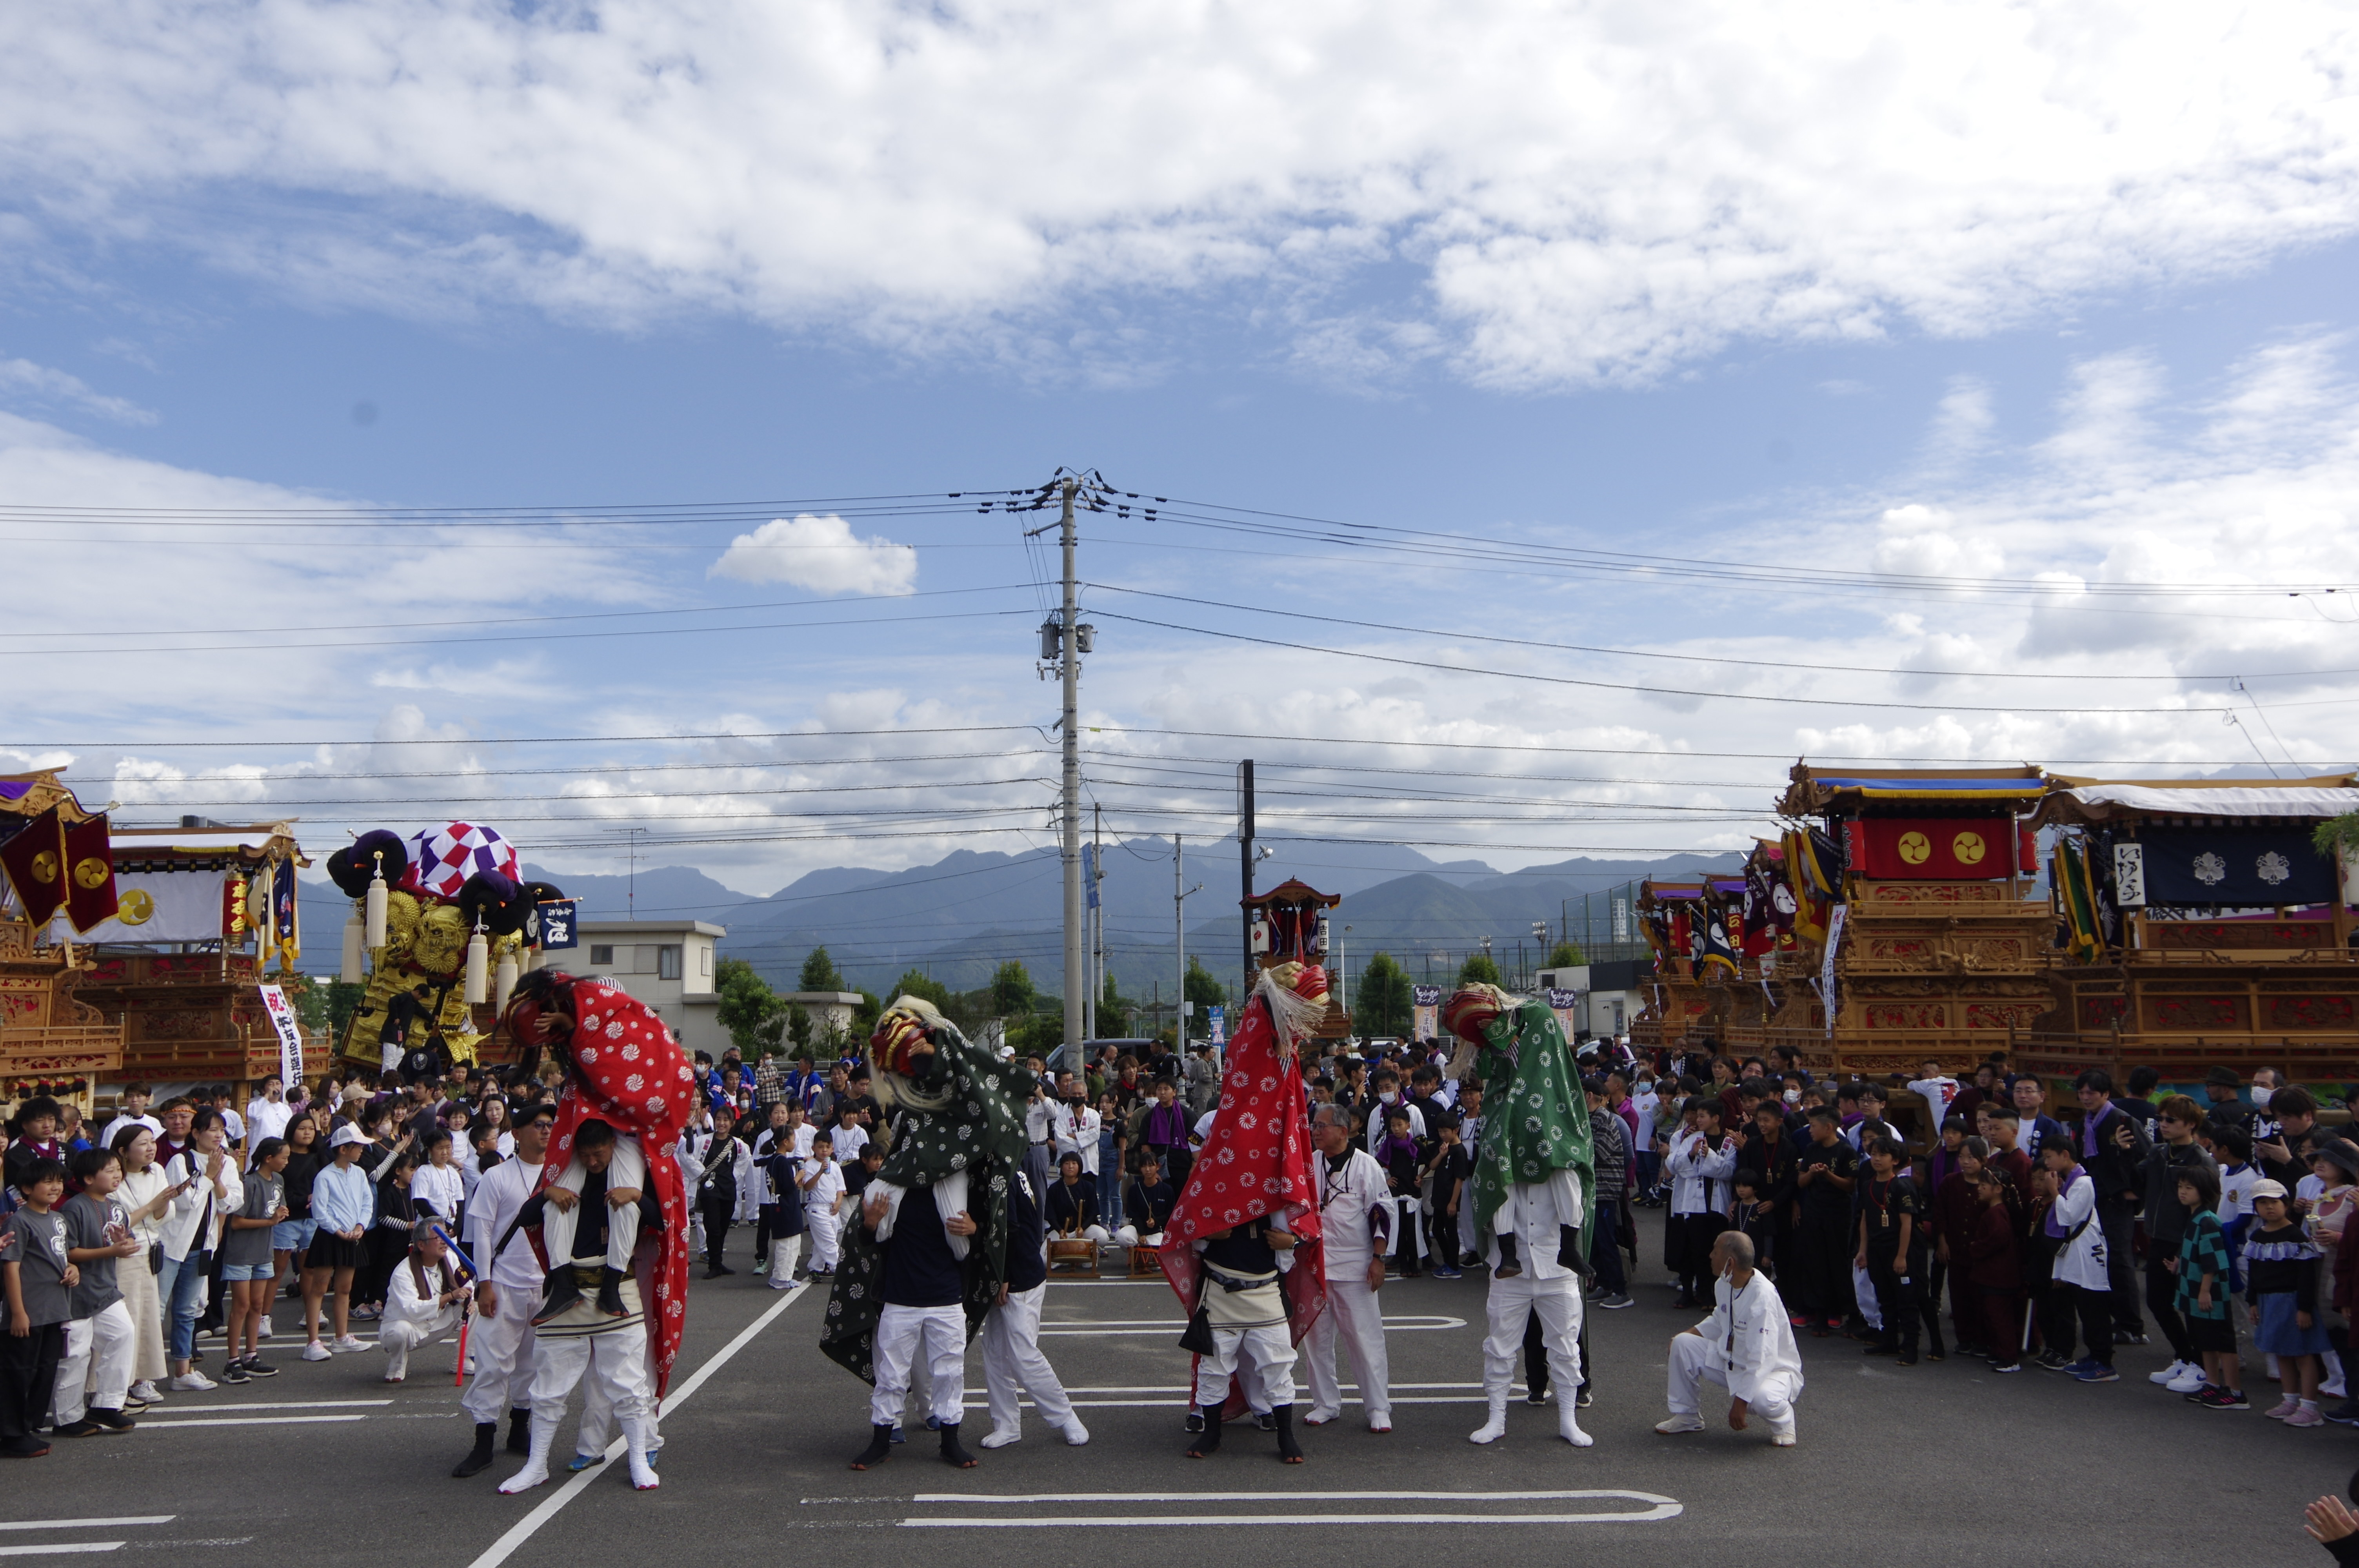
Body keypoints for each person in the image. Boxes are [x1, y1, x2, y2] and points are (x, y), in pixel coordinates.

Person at [500, 970, 695, 1400]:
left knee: (624, 1203)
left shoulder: (600, 1003)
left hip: (625, 1128)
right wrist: (547, 1191)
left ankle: (611, 1280)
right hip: (587, 1115)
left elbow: (629, 1064)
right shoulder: (573, 1028)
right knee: (553, 1199)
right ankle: (561, 1278)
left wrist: (573, 1027)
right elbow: (530, 1210)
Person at [1441, 984, 1593, 1450]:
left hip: (1554, 1264)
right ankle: (1496, 1417)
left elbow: (1570, 1175)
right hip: (1509, 1268)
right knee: (1499, 1344)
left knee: (1564, 1346)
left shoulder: (1538, 1021)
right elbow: (1489, 1061)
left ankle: (1568, 1417)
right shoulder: (1501, 1122)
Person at [493, 1119, 663, 1494]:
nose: (592, 1161)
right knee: (548, 1387)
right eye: (584, 1155)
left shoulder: (629, 1169)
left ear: (611, 1148)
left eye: (598, 1154)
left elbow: (664, 1218)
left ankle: (637, 1457)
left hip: (617, 1287)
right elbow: (525, 1217)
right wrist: (548, 1192)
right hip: (566, 1291)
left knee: (628, 1384)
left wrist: (636, 1195)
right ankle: (536, 1465)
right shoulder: (569, 1173)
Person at [454, 1100, 554, 1476]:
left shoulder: (560, 1174)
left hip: (545, 1285)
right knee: (494, 1363)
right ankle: (483, 1441)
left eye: (550, 1124)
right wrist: (485, 1283)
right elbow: (480, 1233)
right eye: (538, 1124)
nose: (546, 1130)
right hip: (504, 1283)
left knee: (532, 1364)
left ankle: (520, 1429)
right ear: (517, 1133)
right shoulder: (496, 1177)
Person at [1655, 1229, 1803, 1446]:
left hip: (1772, 1372)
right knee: (1682, 1343)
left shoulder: (1762, 1298)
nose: (1711, 1256)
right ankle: (1687, 1416)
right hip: (1733, 1361)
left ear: (1730, 1263)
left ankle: (1784, 1422)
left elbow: (1762, 1359)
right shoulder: (1724, 1283)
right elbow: (1718, 1319)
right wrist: (1686, 1335)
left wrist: (1740, 1403)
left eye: (1715, 1252)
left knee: (1760, 1400)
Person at [977, 1165, 1089, 1450]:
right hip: (1009, 1273)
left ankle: (1066, 1417)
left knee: (1023, 1354)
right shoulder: (1012, 1169)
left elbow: (1009, 1228)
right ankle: (1007, 1424)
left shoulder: (1005, 1173)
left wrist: (1003, 1276)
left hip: (1019, 1275)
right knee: (995, 1352)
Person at [1303, 1103, 1392, 1433]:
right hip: (1317, 1265)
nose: (1315, 1131)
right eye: (1314, 1125)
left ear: (1343, 1131)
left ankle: (1378, 1408)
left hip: (1356, 1266)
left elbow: (1382, 1213)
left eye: (1321, 1126)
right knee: (1317, 1341)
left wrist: (1378, 1259)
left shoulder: (1367, 1166)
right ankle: (1325, 1402)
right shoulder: (1310, 1163)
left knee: (1364, 1340)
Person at [2133, 1094, 2218, 1392]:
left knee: (2193, 1306)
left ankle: (2201, 1365)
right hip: (2158, 1237)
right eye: (2161, 1119)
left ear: (2192, 1124)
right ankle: (2185, 1355)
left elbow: (2209, 1208)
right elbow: (2136, 1178)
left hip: (2188, 1242)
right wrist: (2121, 1152)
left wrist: (2186, 1252)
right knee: (2158, 1301)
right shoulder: (2158, 1152)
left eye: (2171, 1120)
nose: (2164, 1125)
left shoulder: (2201, 1159)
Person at [53, 1147, 140, 1436]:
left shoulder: (116, 1206)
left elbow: (124, 1242)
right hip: (75, 1293)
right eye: (110, 1170)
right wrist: (112, 1250)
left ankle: (108, 1404)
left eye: (119, 1169)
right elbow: (68, 1252)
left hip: (105, 1289)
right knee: (75, 1354)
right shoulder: (73, 1207)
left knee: (124, 1334)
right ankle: (67, 1418)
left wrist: (124, 1245)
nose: (117, 1175)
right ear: (89, 1178)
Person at [158, 1107, 240, 1392]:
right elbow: (183, 1203)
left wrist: (216, 1178)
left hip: (203, 1247)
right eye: (212, 1130)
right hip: (171, 1246)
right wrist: (209, 1177)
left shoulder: (226, 1164)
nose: (218, 1136)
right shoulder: (181, 1161)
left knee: (186, 1311)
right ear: (196, 1134)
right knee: (156, 1311)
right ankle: (142, 1376)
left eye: (222, 1130)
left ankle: (183, 1371)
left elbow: (233, 1203)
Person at [1, 1158, 74, 1457]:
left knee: (44, 1370)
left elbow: (60, 1256)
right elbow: (11, 1267)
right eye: (47, 1182)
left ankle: (28, 1426)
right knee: (18, 1373)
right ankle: (11, 1433)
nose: (55, 1187)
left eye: (58, 1181)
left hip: (55, 1308)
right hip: (29, 1311)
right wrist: (18, 1312)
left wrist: (73, 1268)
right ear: (28, 1188)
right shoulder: (19, 1221)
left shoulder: (58, 1219)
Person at [2075, 1068, 2152, 1343]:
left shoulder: (2121, 1120)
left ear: (2106, 1094)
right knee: (2100, 1259)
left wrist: (2135, 1193)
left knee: (2120, 1261)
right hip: (2096, 1200)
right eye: (2082, 1092)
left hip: (2117, 1201)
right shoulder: (2087, 1122)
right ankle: (2113, 1319)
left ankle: (2132, 1325)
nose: (2085, 1098)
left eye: (2091, 1093)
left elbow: (2148, 1159)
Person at [2247, 1179, 2330, 1426]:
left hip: (2292, 1301)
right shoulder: (2257, 1236)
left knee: (2303, 1354)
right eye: (2263, 1203)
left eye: (2275, 1202)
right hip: (2267, 1301)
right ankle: (2290, 1399)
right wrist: (2253, 1301)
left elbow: (2307, 1275)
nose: (2269, 1207)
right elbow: (2255, 1272)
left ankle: (2309, 1407)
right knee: (2282, 1352)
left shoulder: (2296, 1235)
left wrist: (2304, 1308)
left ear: (2286, 1204)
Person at [2038, 1138, 2115, 1382]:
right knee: (2084, 1306)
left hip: (2088, 1253)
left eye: (2050, 1157)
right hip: (2075, 1253)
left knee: (2095, 1307)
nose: (2046, 1162)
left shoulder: (2083, 1182)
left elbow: (2069, 1215)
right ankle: (2094, 1356)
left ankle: (2105, 1363)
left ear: (2065, 1155)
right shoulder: (2071, 1180)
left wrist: (2053, 1191)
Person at [107, 1127, 172, 1408]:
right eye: (142, 1144)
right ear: (122, 1151)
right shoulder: (112, 1177)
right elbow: (118, 1224)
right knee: (128, 1321)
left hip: (151, 1252)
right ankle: (121, 1383)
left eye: (152, 1143)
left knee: (148, 1318)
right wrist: (152, 1207)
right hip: (126, 1256)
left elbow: (167, 1214)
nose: (151, 1149)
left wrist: (155, 1209)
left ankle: (142, 1378)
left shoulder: (156, 1170)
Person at [1854, 1136, 1933, 1365]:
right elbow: (1865, 1219)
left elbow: (1907, 1223)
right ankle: (1889, 1340)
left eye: (1883, 1155)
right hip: (1876, 1250)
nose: (1877, 1159)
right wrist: (1863, 1250)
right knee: (1884, 1298)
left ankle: (1911, 1346)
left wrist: (1901, 1256)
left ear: (1895, 1160)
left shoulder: (1900, 1185)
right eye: (1874, 1154)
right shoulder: (1869, 1184)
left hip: (1897, 1250)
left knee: (1906, 1301)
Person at [2169, 1163, 2242, 1409]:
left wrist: (2204, 1290)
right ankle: (2212, 1384)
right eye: (2181, 1187)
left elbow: (2213, 1261)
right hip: (2195, 1291)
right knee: (2205, 1341)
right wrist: (2179, 1265)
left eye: (2189, 1188)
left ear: (2205, 1190)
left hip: (2210, 1294)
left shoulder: (2209, 1220)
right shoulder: (2195, 1217)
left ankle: (2235, 1391)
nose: (2183, 1192)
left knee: (2222, 1342)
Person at [219, 1136, 289, 1384]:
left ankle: (251, 1355)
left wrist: (279, 1216)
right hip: (242, 1253)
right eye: (284, 1157)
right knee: (241, 1305)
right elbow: (236, 1222)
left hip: (263, 1252)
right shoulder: (249, 1183)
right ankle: (232, 1361)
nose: (286, 1162)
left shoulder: (278, 1180)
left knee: (257, 1305)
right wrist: (271, 1221)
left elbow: (278, 1209)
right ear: (269, 1159)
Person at [302, 1124, 375, 1361]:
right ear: (344, 1149)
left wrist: (360, 1226)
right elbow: (319, 1210)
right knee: (319, 1289)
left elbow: (367, 1203)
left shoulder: (359, 1173)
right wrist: (339, 1230)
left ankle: (341, 1337)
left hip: (353, 1237)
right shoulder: (325, 1175)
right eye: (358, 1147)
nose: (362, 1151)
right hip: (329, 1237)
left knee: (345, 1289)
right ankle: (313, 1342)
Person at [1791, 1105, 1857, 1336]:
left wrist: (1828, 1174)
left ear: (1829, 1128)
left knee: (1838, 1264)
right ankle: (1818, 1315)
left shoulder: (1846, 1151)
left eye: (1814, 1126)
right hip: (1814, 1212)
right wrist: (1812, 1173)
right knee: (1815, 1263)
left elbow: (1850, 1185)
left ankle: (1842, 1312)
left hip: (1838, 1214)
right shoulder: (1811, 1149)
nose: (1810, 1131)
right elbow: (1801, 1182)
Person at [1664, 1099, 1736, 1308]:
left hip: (1716, 1205)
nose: (1698, 1119)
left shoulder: (1728, 1142)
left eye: (1703, 1115)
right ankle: (1693, 1292)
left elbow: (1729, 1172)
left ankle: (1711, 1296)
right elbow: (1676, 1166)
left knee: (1716, 1251)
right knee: (1695, 1250)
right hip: (1693, 1204)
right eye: (1698, 1115)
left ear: (1716, 1118)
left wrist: (1710, 1156)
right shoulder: (1691, 1138)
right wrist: (1692, 1154)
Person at [381, 1227, 472, 1383]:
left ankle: (462, 1360)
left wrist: (467, 1298)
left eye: (447, 1235)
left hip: (438, 1321)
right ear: (421, 1245)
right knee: (398, 1332)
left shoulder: (451, 1257)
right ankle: (397, 1364)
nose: (445, 1241)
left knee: (475, 1306)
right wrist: (449, 1296)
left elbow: (467, 1284)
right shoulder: (403, 1272)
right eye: (438, 1237)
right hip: (412, 1326)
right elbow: (413, 1310)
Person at [1966, 1165, 2026, 1372]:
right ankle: (2000, 1352)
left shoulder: (1997, 1213)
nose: (1979, 1189)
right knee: (1993, 1316)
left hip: (1999, 1276)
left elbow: (1998, 1238)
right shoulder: (1996, 1211)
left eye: (1983, 1185)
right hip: (1994, 1275)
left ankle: (2010, 1358)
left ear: (1998, 1189)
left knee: (2000, 1318)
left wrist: (1977, 1248)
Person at [803, 1132, 845, 1275]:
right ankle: (840, 1269)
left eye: (828, 1147)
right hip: (817, 1208)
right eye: (821, 1147)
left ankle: (816, 1268)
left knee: (825, 1241)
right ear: (814, 1148)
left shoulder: (835, 1166)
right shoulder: (810, 1165)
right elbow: (807, 1186)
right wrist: (820, 1172)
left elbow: (840, 1188)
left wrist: (839, 1202)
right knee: (829, 1242)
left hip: (832, 1208)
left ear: (833, 1149)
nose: (824, 1150)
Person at [1121, 1155, 1176, 1247]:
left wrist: (1156, 1221)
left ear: (1158, 1167)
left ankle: (1145, 1249)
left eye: (1151, 1166)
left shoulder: (1167, 1190)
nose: (1147, 1169)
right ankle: (1137, 1247)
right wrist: (1141, 1234)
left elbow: (1170, 1214)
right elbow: (1134, 1215)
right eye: (1144, 1166)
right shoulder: (1134, 1189)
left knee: (1161, 1245)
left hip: (1158, 1231)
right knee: (1123, 1237)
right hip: (1138, 1231)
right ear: (1140, 1168)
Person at [381, 982, 434, 1077]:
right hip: (392, 1033)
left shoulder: (414, 1004)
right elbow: (393, 1001)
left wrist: (433, 1018)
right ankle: (386, 1080)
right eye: (421, 997)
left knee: (398, 1058)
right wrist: (395, 1017)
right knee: (390, 1058)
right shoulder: (405, 997)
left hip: (401, 1036)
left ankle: (392, 1079)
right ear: (417, 992)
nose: (420, 999)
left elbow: (422, 1012)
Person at [99, 1086, 161, 1151]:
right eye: (130, 1096)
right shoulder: (116, 1125)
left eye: (139, 1096)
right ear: (126, 1099)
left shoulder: (154, 1122)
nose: (134, 1100)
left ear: (147, 1099)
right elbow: (108, 1153)